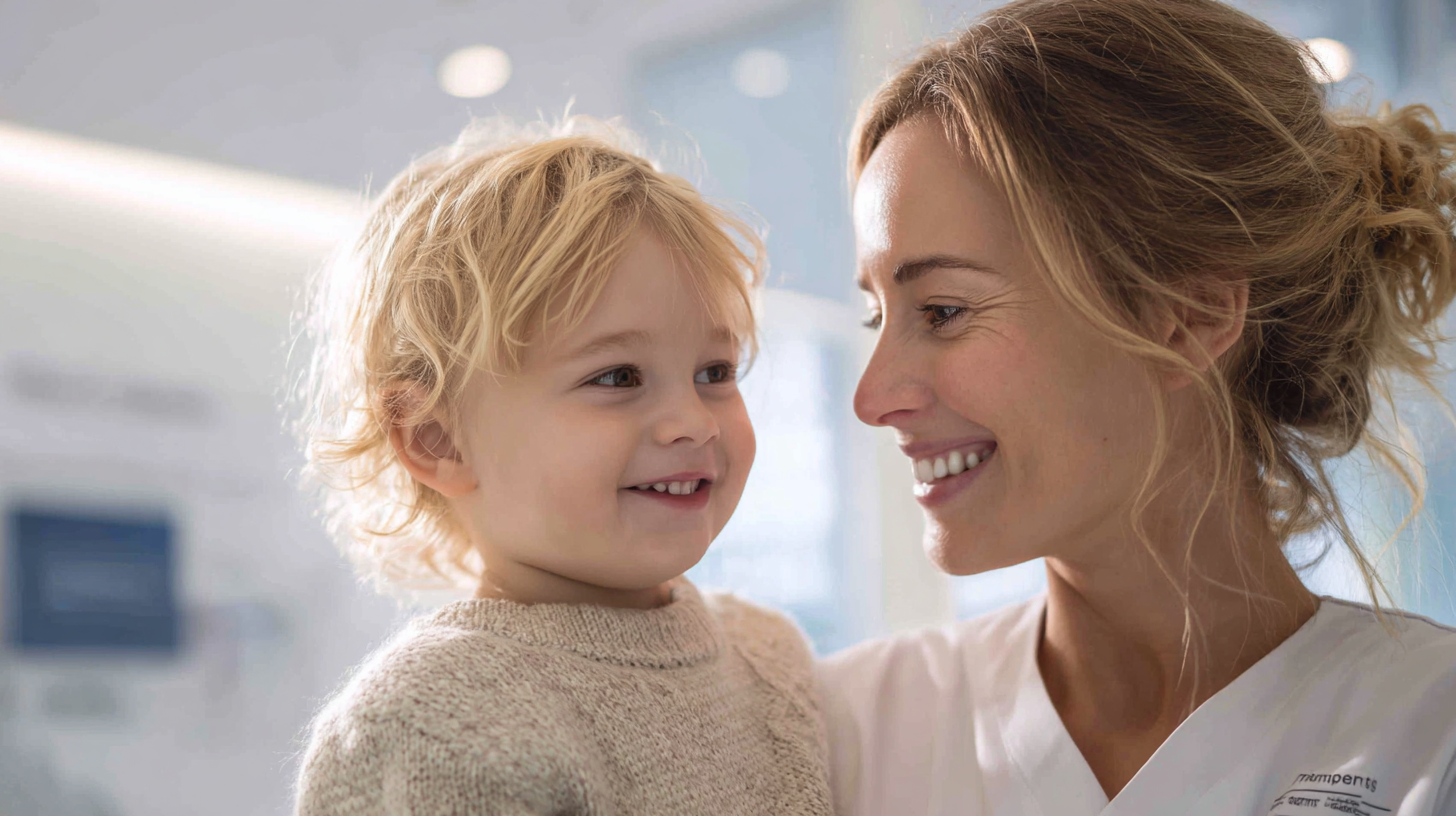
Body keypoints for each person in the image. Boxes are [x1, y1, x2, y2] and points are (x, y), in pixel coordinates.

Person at [819, 1, 1456, 814]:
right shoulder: (846, 734)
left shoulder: (1430, 741)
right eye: (877, 316)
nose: (872, 399)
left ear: (1189, 314)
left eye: (942, 311)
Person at [291, 118, 831, 815]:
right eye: (617, 377)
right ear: (435, 440)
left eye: (715, 371)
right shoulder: (431, 723)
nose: (693, 421)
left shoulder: (773, 656)